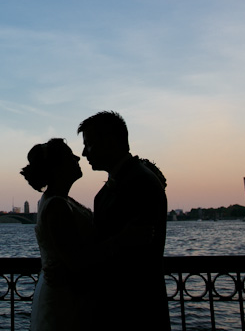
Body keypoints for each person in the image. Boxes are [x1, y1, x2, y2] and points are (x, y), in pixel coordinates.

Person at [78, 111, 171, 330]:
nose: (84, 152)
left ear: (110, 141)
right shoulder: (111, 189)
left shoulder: (141, 183)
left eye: (89, 144)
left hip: (136, 312)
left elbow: (136, 253)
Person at [21, 138, 94, 331]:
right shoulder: (57, 206)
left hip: (62, 291)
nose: (78, 158)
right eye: (71, 156)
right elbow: (77, 262)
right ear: (58, 167)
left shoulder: (58, 200)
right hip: (65, 297)